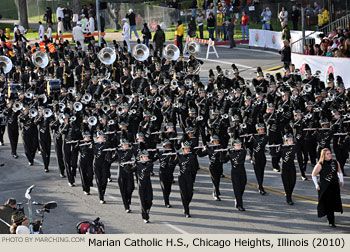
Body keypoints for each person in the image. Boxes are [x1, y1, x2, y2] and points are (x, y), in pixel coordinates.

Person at [312, 148, 344, 227]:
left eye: (330, 153)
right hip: (325, 187)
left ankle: (330, 217)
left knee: (333, 202)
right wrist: (316, 185)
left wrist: (342, 180)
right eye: (327, 154)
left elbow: (339, 171)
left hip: (334, 185)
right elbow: (313, 175)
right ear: (323, 155)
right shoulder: (320, 164)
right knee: (328, 203)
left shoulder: (335, 162)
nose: (330, 155)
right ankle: (331, 221)